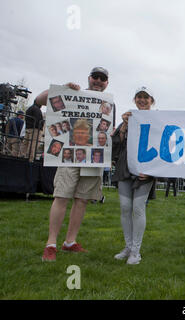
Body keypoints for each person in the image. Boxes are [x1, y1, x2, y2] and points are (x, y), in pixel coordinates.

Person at [39, 66, 112, 262]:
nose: (98, 80)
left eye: (102, 78)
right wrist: (61, 89)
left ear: (107, 83)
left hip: (93, 158)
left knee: (82, 200)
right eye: (95, 77)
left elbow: (107, 132)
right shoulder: (72, 93)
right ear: (89, 78)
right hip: (68, 155)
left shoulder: (108, 103)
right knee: (61, 196)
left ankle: (70, 242)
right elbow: (39, 101)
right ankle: (51, 244)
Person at [111, 86, 155, 265]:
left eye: (146, 97)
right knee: (125, 207)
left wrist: (152, 169)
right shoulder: (128, 119)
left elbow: (163, 148)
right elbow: (116, 147)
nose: (142, 100)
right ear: (134, 99)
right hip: (125, 169)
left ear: (151, 100)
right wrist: (124, 127)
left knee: (138, 207)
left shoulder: (157, 120)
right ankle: (128, 247)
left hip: (145, 171)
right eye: (139, 97)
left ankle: (136, 251)